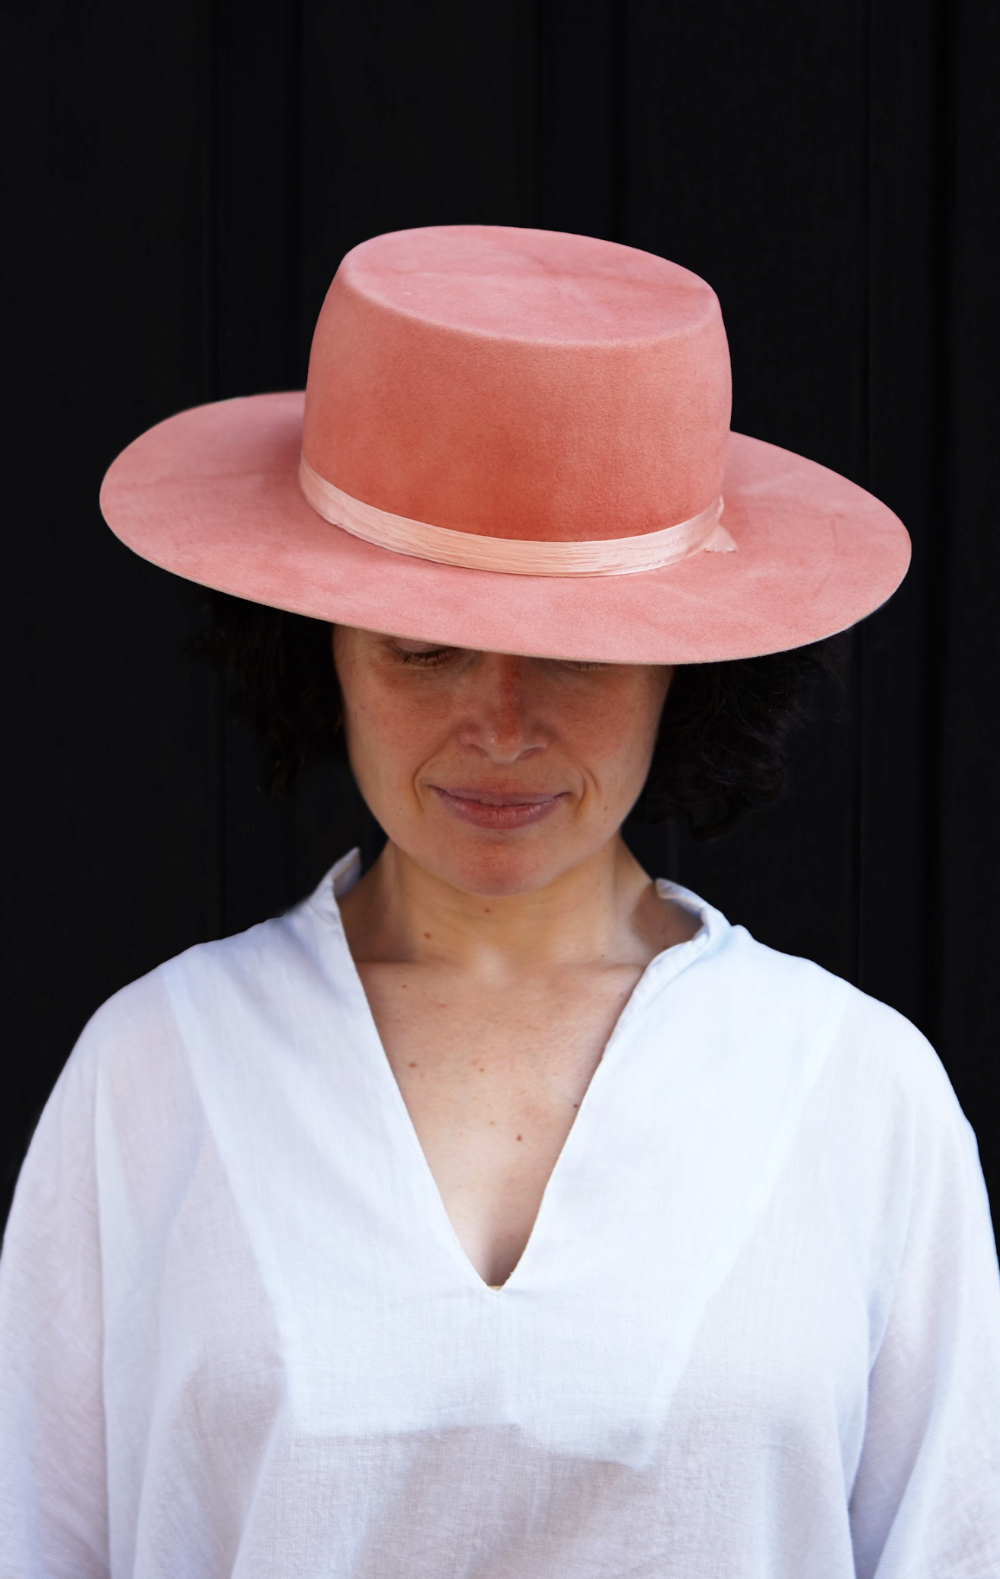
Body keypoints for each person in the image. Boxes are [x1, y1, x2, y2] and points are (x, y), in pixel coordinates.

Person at [0, 224, 997, 1577]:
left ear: (680, 668)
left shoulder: (858, 1094)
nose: (498, 720)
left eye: (573, 653)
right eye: (423, 645)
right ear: (322, 642)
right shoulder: (153, 1072)